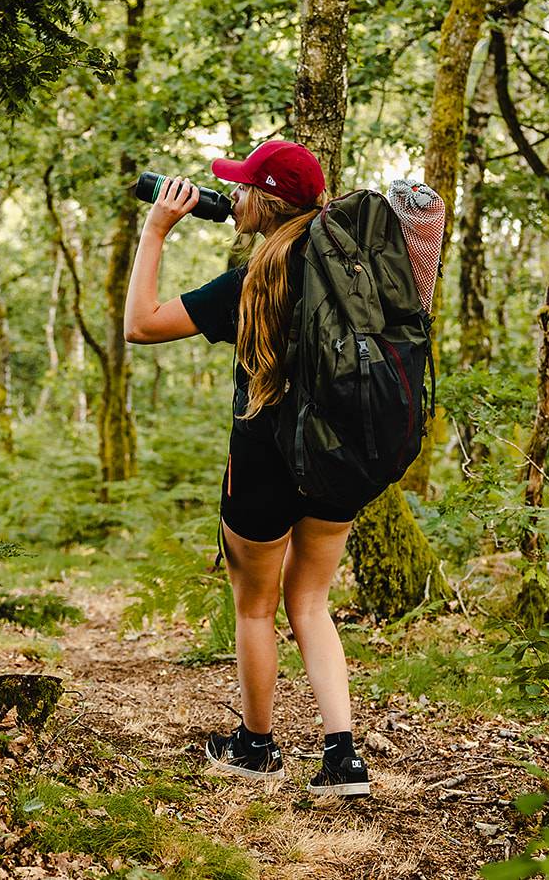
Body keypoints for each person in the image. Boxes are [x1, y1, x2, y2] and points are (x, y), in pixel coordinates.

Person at [123, 139, 371, 798]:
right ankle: (343, 758)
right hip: (340, 459)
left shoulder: (253, 281)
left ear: (263, 200)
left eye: (240, 187)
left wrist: (156, 229)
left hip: (263, 459)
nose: (231, 195)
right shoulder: (354, 270)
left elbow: (140, 325)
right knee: (312, 601)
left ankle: (257, 746)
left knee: (256, 606)